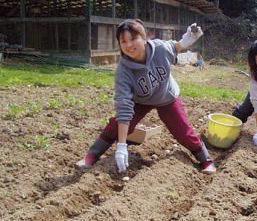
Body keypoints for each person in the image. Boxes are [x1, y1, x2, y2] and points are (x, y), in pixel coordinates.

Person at [76, 19, 216, 174]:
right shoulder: (124, 71)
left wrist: (186, 40)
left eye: (133, 38)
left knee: (183, 131)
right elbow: (124, 108)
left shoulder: (161, 49)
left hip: (166, 96)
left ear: (144, 38)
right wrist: (121, 146)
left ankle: (206, 160)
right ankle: (91, 156)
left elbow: (176, 47)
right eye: (123, 41)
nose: (129, 45)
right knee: (116, 126)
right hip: (140, 100)